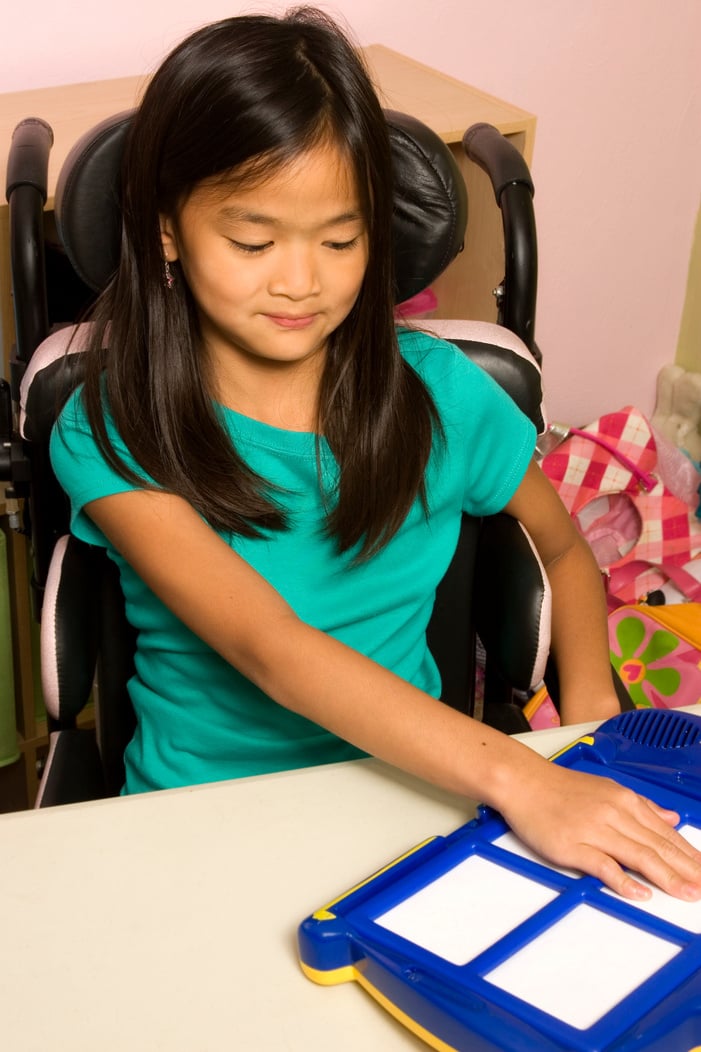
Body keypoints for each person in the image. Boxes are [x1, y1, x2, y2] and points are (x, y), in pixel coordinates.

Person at [51, 6, 701, 902]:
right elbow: (270, 644)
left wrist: (587, 718)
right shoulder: (115, 425)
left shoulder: (443, 395)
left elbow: (560, 548)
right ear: (168, 231)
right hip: (198, 819)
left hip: (415, 800)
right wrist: (521, 776)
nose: (300, 280)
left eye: (341, 240)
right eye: (252, 241)